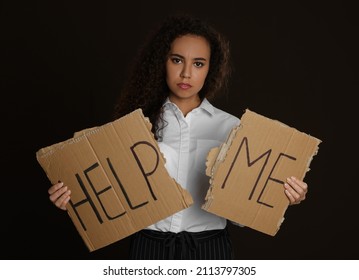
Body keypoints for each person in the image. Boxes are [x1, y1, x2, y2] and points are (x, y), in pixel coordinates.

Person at [48, 14, 308, 260]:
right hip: (149, 248)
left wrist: (282, 195)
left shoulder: (232, 127)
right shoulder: (135, 126)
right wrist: (74, 198)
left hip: (210, 249)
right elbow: (110, 194)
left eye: (198, 63)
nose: (186, 73)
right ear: (162, 61)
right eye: (176, 60)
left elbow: (240, 213)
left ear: (210, 69)